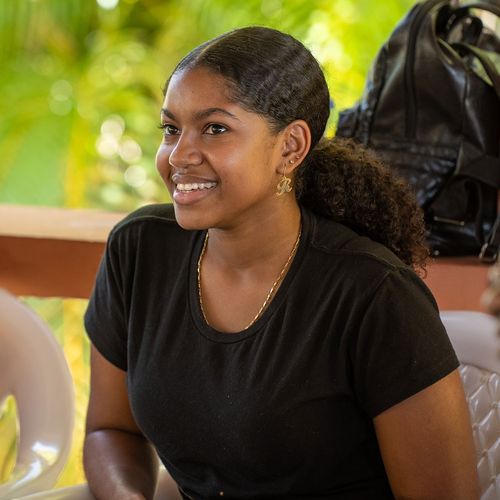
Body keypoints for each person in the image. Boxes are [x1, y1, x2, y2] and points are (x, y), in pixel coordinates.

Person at [83, 26, 479, 499]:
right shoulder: (140, 250)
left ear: (290, 147)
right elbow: (111, 430)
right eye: (171, 129)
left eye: (215, 129)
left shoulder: (375, 296)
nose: (178, 156)